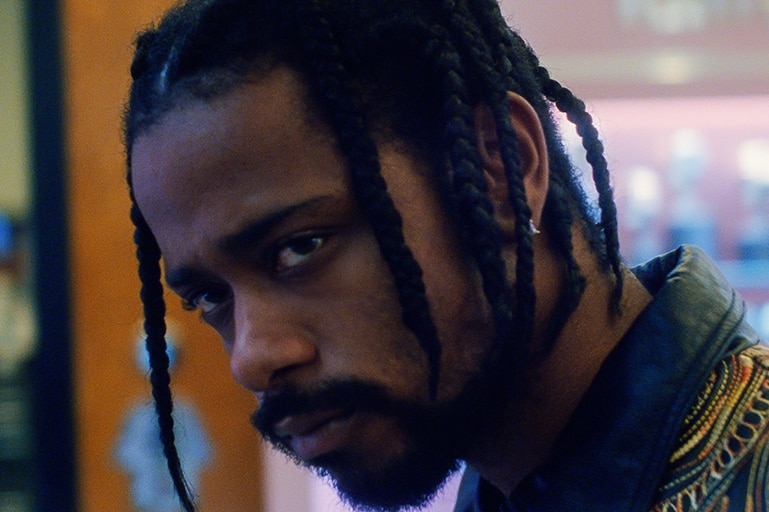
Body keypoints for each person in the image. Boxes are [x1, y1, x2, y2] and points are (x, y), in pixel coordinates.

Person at [123, 0, 769, 510]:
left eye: (300, 248)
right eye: (211, 296)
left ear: (499, 169)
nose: (251, 357)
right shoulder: (512, 479)